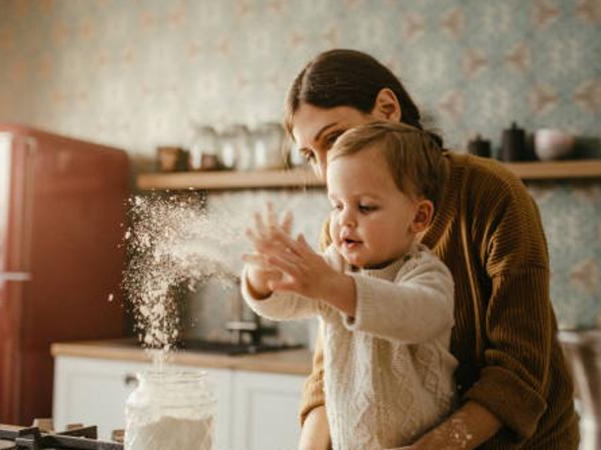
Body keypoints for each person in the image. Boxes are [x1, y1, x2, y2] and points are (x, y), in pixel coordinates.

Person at [286, 49, 580, 450]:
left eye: (334, 139)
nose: (324, 172)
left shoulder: (492, 194)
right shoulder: (342, 231)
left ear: (388, 109)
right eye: (309, 156)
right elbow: (331, 369)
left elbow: (520, 367)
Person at [241, 122, 459, 449]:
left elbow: (416, 316)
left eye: (365, 206)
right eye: (337, 204)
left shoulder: (426, 274)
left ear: (419, 218)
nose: (344, 220)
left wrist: (332, 287)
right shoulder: (334, 267)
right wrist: (263, 274)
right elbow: (281, 304)